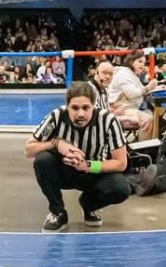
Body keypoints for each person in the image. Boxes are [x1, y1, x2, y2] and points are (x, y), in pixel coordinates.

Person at [24, 81, 131, 231]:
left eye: (85, 108)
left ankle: (89, 205)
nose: (80, 113)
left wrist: (87, 165)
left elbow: (121, 163)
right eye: (75, 108)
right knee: (42, 160)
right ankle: (58, 212)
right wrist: (56, 143)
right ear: (67, 106)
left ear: (93, 105)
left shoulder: (108, 121)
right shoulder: (57, 116)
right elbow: (28, 150)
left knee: (121, 188)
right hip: (64, 172)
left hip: (94, 173)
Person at [107, 57, 157, 140]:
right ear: (131, 62)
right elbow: (132, 93)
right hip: (120, 109)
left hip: (128, 108)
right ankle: (143, 148)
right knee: (147, 119)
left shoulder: (132, 74)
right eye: (140, 61)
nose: (142, 64)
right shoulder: (124, 74)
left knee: (153, 116)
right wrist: (147, 88)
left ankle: (149, 144)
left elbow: (141, 90)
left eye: (144, 63)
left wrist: (154, 88)